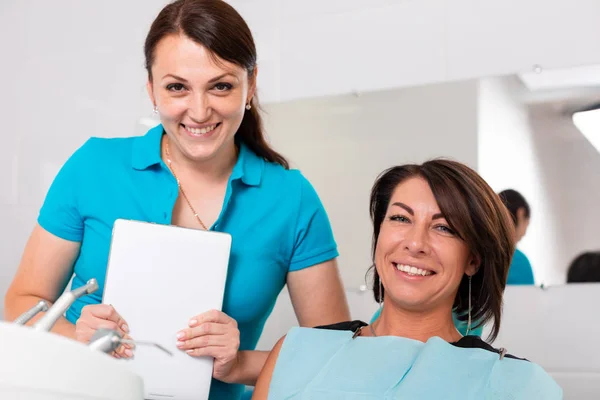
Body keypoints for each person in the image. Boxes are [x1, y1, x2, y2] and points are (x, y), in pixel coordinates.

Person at [3, 1, 350, 398]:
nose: (199, 111)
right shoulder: (93, 166)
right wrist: (76, 336)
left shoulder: (292, 199)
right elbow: (22, 302)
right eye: (177, 87)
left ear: (250, 86)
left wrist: (239, 364)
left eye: (221, 85)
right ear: (151, 89)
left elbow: (331, 356)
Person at [252, 160, 562, 399]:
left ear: (473, 259)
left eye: (444, 228)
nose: (415, 243)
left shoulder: (519, 385)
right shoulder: (296, 351)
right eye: (401, 218)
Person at [498, 189, 535, 285]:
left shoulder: (476, 255)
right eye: (527, 223)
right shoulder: (518, 261)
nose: (524, 234)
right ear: (521, 214)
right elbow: (528, 298)